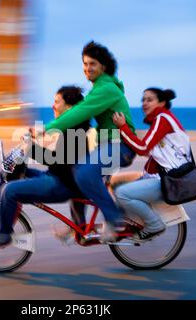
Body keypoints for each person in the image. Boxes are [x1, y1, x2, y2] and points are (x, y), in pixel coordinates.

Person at [42, 41, 137, 242]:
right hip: (108, 145)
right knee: (76, 174)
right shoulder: (98, 89)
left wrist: (48, 128)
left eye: (92, 63)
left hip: (121, 146)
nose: (87, 68)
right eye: (85, 63)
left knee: (84, 173)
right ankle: (79, 228)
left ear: (104, 66)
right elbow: (79, 112)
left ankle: (115, 219)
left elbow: (80, 112)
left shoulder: (107, 89)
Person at [0, 86, 90, 251]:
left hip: (61, 185)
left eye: (56, 102)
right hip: (54, 177)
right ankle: (4, 221)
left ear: (69, 107)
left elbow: (58, 161)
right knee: (3, 174)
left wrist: (31, 149)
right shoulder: (70, 127)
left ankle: (1, 237)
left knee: (9, 190)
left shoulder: (77, 131)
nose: (53, 106)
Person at [112, 88, 191, 240]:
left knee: (122, 193)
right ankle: (122, 224)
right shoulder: (163, 120)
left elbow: (142, 148)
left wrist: (122, 127)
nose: (144, 103)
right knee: (114, 182)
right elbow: (150, 150)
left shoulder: (163, 119)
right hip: (158, 177)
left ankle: (154, 224)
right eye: (143, 100)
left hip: (165, 181)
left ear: (161, 102)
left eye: (149, 100)